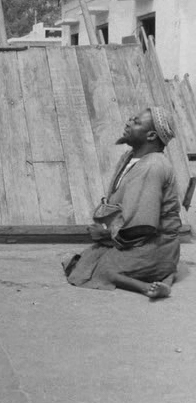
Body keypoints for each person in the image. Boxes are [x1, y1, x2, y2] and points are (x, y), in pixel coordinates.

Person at [62, 107, 181, 299]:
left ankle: (149, 286)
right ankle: (167, 273)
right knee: (86, 259)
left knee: (100, 269)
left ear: (151, 135)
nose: (128, 123)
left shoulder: (152, 166)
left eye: (136, 122)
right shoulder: (130, 158)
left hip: (155, 242)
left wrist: (107, 235)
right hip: (140, 240)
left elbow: (143, 226)